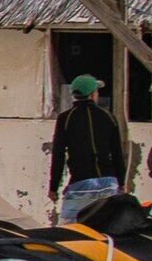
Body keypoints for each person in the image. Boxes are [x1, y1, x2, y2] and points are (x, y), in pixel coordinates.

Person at [47, 75, 128, 222]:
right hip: (108, 182)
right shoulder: (108, 116)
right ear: (92, 94)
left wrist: (53, 187)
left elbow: (58, 155)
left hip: (81, 183)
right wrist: (121, 182)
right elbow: (117, 153)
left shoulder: (65, 119)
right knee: (107, 227)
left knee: (70, 232)